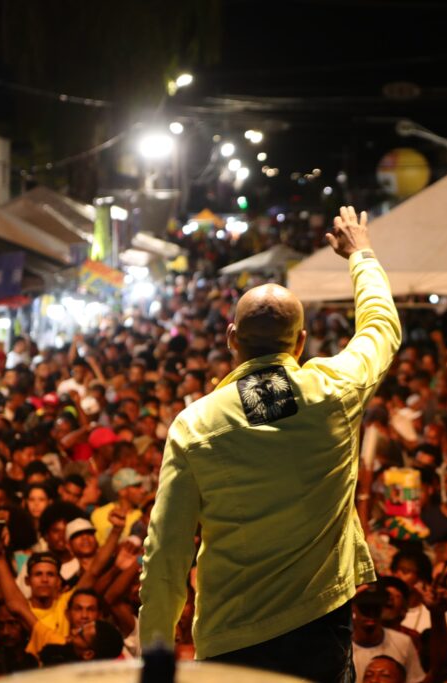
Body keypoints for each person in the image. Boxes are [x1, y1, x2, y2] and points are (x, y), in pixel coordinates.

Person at [140, 206, 402, 680]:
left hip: (230, 635)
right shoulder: (335, 392)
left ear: (231, 339)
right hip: (320, 628)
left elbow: (165, 554)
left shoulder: (194, 425)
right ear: (300, 341)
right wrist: (359, 254)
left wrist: (155, 658)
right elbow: (381, 328)